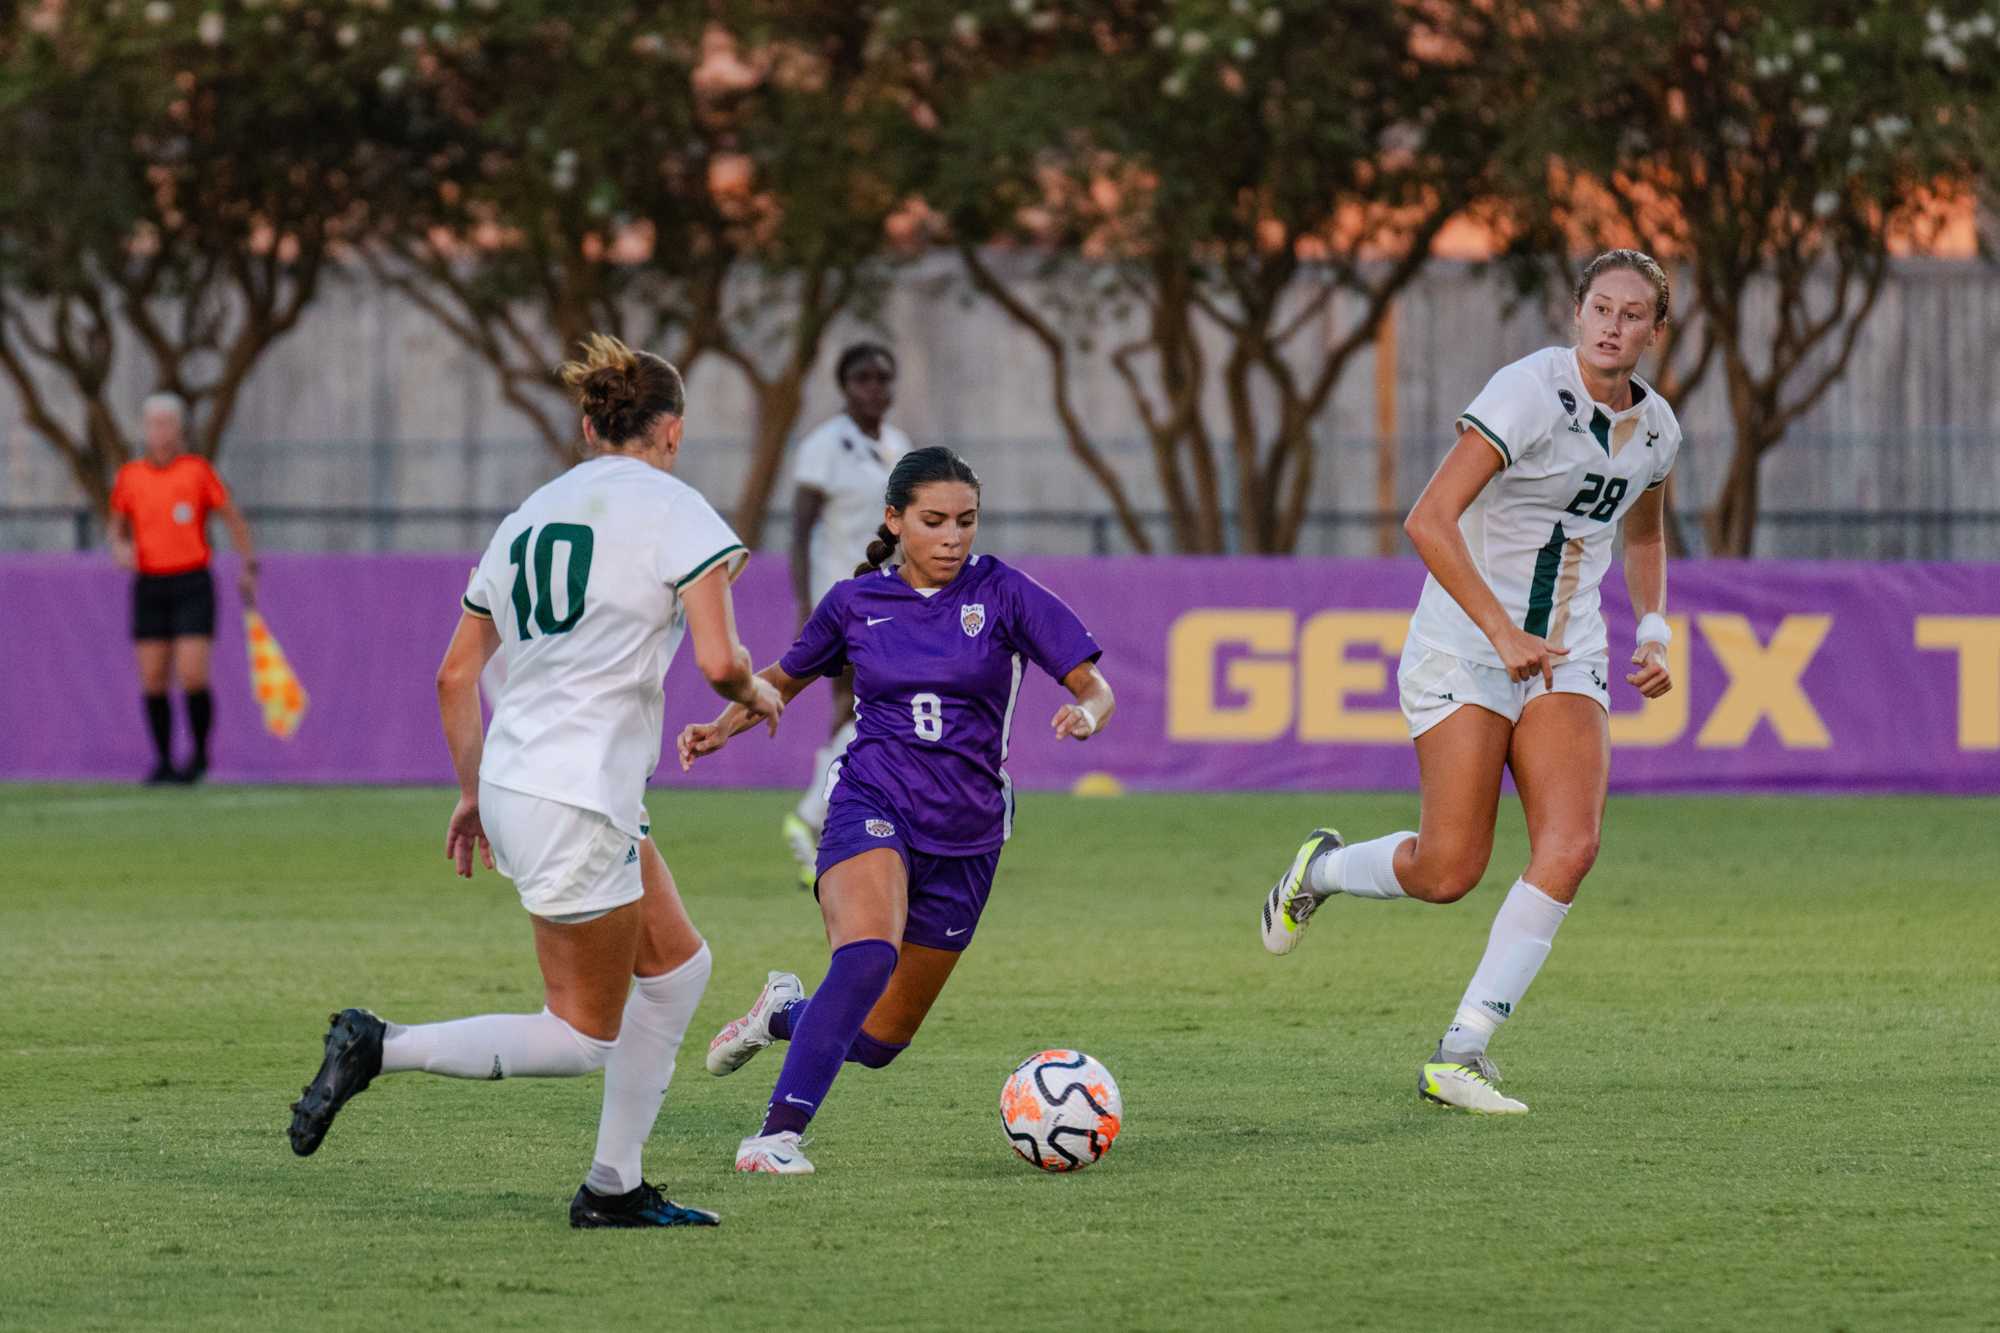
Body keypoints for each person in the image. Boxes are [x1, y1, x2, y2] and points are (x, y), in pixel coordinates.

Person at [285, 334, 783, 1228]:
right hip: (579, 795)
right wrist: (756, 690)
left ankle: (614, 1187)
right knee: (582, 1033)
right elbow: (718, 660)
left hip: (532, 783)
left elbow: (453, 675)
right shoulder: (677, 508)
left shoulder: (528, 516)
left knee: (677, 969)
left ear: (591, 425)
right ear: (672, 430)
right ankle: (381, 1045)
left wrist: (475, 794)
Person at [1257, 250, 1682, 1115]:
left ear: (1654, 329)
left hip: (1568, 654)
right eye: (1600, 306)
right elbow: (1427, 518)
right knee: (1451, 868)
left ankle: (1462, 1051)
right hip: (1463, 648)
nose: (1612, 324)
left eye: (1632, 313)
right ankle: (1324, 869)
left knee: (1572, 846)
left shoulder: (1661, 430)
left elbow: (1642, 535)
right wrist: (1500, 630)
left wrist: (1655, 627)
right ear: (1575, 313)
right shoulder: (1527, 390)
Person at [679, 446, 1114, 1175]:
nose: (953, 537)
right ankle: (776, 1136)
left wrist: (1089, 713)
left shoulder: (1004, 593)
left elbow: (1092, 683)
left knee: (880, 1038)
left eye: (966, 521)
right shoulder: (854, 603)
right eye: (934, 520)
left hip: (970, 832)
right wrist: (721, 726)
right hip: (872, 798)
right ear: (895, 518)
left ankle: (780, 1013)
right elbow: (779, 681)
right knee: (867, 951)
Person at [780, 343, 912, 888]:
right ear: (844, 385)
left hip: (893, 597)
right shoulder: (823, 446)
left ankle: (827, 816)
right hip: (847, 599)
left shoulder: (898, 446)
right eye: (862, 378)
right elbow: (799, 530)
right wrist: (806, 604)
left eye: (882, 377)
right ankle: (814, 815)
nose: (874, 388)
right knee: (868, 704)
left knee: (860, 707)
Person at [107, 394, 259, 784]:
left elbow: (232, 517)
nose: (160, 432)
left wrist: (247, 564)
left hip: (192, 580)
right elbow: (116, 527)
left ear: (178, 430)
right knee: (154, 676)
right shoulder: (131, 477)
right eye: (153, 425)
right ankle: (162, 760)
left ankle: (199, 756)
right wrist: (121, 549)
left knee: (192, 673)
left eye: (167, 424)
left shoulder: (196, 472)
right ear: (145, 430)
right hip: (150, 583)